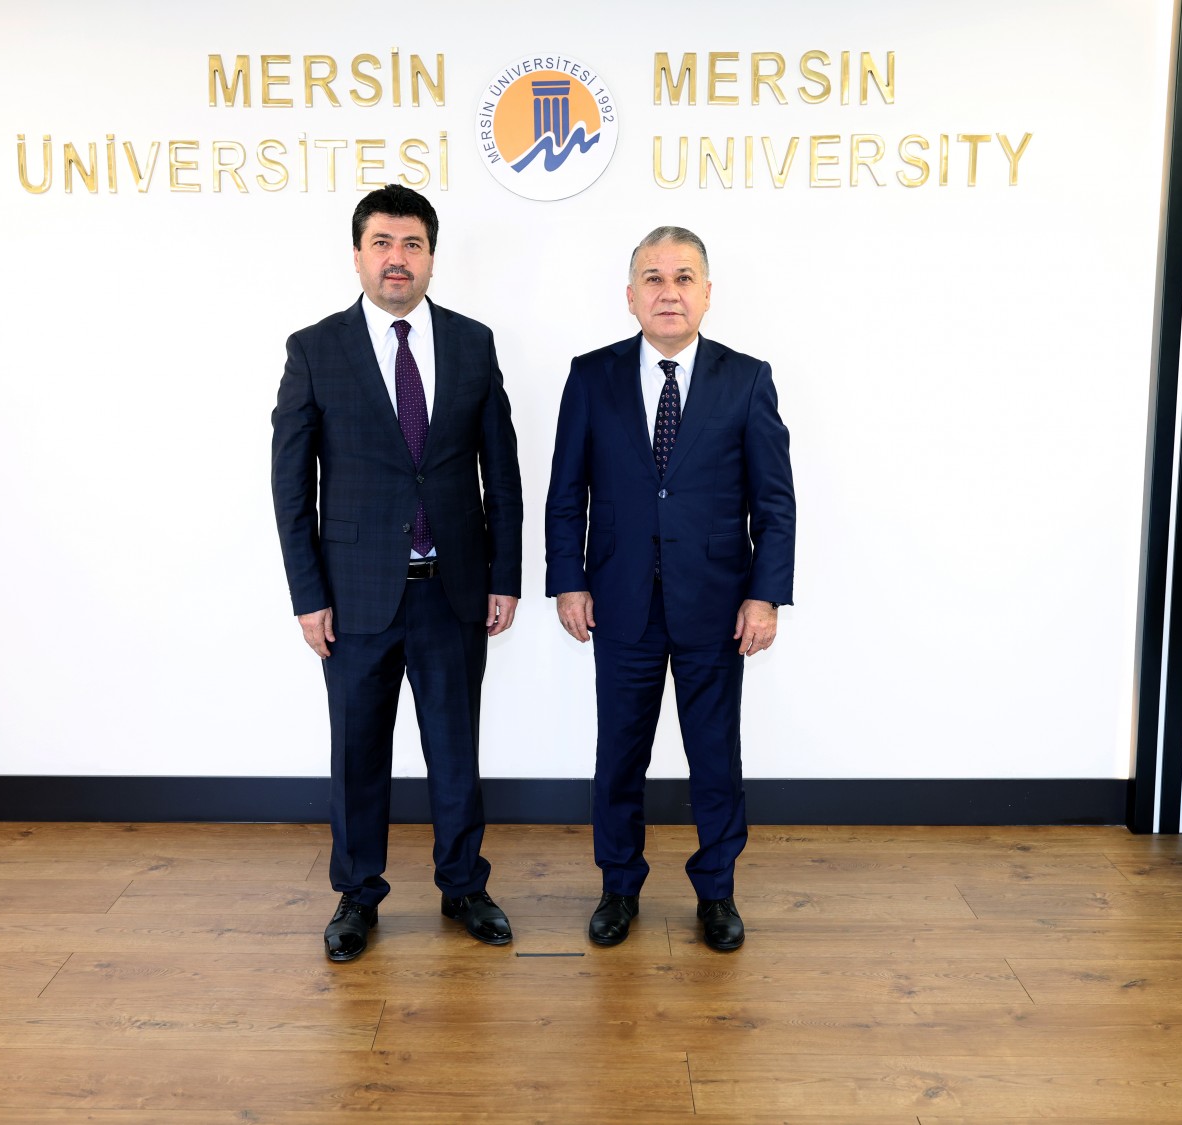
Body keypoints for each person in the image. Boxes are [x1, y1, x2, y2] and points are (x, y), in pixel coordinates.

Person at [271, 184, 523, 962]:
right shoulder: (315, 349)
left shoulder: (473, 343)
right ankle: (357, 893)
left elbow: (501, 471)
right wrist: (308, 595)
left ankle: (464, 884)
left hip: (453, 588)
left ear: (431, 257)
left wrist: (506, 574)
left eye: (412, 244)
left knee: (455, 748)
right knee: (357, 752)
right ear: (357, 256)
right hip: (354, 597)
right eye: (382, 243)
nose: (397, 258)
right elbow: (291, 485)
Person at [545, 225, 795, 952]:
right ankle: (618, 886)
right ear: (631, 296)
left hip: (716, 605)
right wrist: (568, 581)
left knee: (715, 757)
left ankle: (716, 891)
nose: (669, 292)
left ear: (707, 294)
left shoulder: (747, 379)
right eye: (653, 279)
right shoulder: (590, 377)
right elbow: (567, 492)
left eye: (684, 278)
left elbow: (774, 503)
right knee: (619, 756)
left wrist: (764, 595)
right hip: (619, 600)